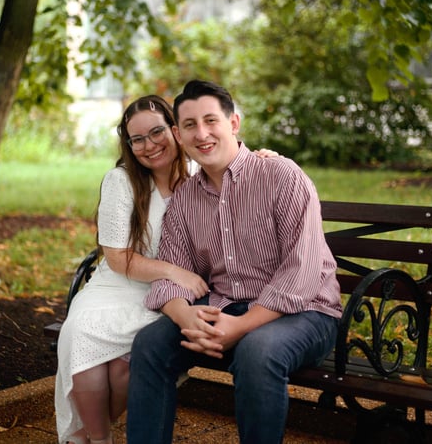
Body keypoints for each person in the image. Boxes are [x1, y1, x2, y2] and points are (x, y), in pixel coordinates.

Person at [126, 80, 343, 444]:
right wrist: (185, 316)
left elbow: (302, 271)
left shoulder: (281, 175)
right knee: (150, 344)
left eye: (211, 120)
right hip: (225, 306)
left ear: (234, 123)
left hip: (306, 312)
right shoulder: (185, 199)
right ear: (178, 134)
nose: (202, 133)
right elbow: (172, 271)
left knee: (257, 352)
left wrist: (240, 326)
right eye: (190, 125)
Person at [54, 95, 210, 444]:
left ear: (174, 129)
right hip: (117, 285)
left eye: (156, 132)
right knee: (80, 333)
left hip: (166, 296)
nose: (149, 146)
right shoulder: (121, 181)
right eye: (137, 139)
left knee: (124, 365)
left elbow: (238, 163)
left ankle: (86, 434)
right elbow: (117, 259)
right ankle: (99, 439)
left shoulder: (199, 174)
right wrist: (174, 271)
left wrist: (265, 156)